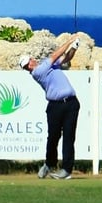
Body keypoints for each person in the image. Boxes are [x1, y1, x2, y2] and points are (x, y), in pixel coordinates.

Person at [19, 36, 81, 180]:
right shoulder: (38, 72)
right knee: (53, 137)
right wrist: (70, 40)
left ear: (32, 59)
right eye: (26, 66)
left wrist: (74, 47)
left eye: (28, 62)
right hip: (55, 106)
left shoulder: (48, 66)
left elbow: (65, 58)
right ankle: (49, 164)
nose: (29, 66)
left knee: (69, 137)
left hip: (71, 103)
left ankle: (66, 170)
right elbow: (56, 55)